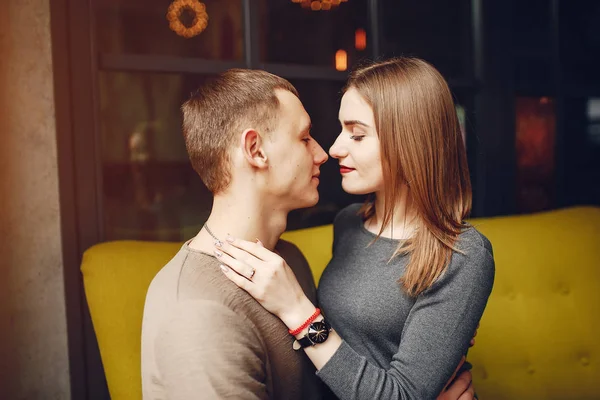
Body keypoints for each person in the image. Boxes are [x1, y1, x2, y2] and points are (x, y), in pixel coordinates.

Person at [141, 68, 477, 400]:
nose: (324, 152)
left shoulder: (289, 264)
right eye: (304, 138)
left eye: (357, 135)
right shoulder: (197, 315)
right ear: (256, 150)